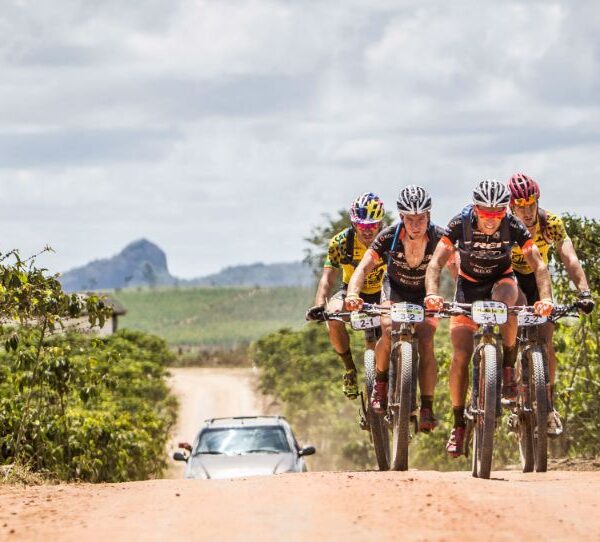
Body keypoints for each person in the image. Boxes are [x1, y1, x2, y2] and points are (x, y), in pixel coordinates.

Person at [424, 179, 554, 457]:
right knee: (460, 354)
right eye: (486, 214)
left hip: (500, 281)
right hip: (467, 287)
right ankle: (458, 425)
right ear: (475, 209)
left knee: (507, 303)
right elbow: (435, 262)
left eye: (498, 214)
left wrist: (545, 299)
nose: (492, 220)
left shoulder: (513, 224)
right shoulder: (460, 222)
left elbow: (538, 264)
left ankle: (507, 369)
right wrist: (432, 294)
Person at [344, 185, 455, 431]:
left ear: (429, 215)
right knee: (386, 327)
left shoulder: (440, 237)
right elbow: (362, 268)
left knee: (426, 340)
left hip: (426, 294)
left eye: (421, 219)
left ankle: (427, 406)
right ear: (401, 217)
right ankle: (381, 382)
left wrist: (460, 297)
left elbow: (456, 268)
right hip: (395, 289)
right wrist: (352, 294)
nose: (416, 225)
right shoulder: (388, 236)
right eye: (410, 219)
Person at [508, 172, 595, 436]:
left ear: (538, 201)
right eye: (520, 207)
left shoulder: (551, 223)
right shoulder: (506, 226)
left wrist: (584, 292)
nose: (527, 212)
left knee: (546, 343)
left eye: (531, 204)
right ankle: (508, 393)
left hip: (538, 280)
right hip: (510, 281)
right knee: (510, 333)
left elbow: (570, 258)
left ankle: (549, 407)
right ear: (511, 206)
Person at [305, 192, 386, 399]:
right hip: (350, 292)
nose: (368, 231)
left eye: (373, 226)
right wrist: (319, 307)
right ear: (353, 223)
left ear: (381, 223)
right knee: (333, 315)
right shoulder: (340, 242)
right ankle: (349, 369)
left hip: (383, 290)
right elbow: (327, 279)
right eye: (362, 226)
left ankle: (402, 382)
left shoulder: (391, 240)